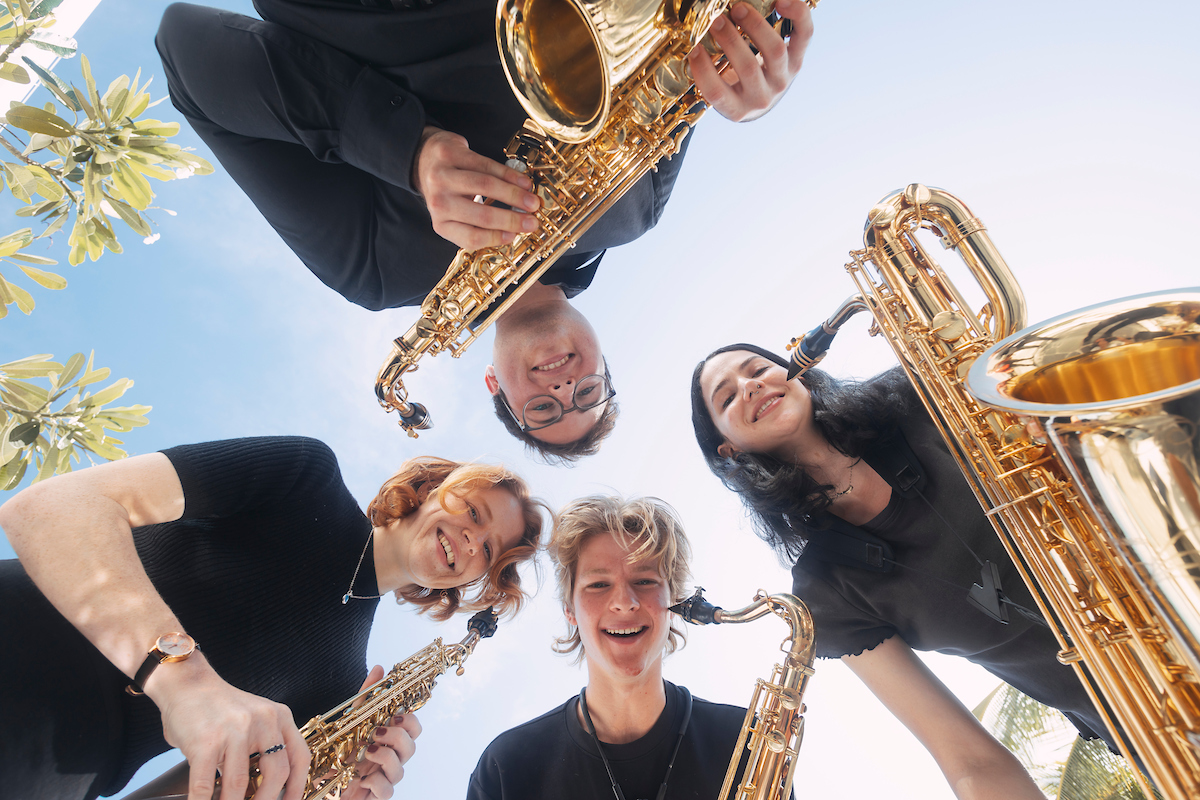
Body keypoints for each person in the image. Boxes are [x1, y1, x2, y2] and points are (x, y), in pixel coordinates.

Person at [154, 0, 815, 462]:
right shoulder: (637, 213)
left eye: (546, 410)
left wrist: (405, 149)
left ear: (494, 385)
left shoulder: (375, 272)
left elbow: (185, 49)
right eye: (589, 392)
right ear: (603, 359)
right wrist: (751, 76)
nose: (563, 387)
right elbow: (696, 50)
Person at [0, 435, 546, 800]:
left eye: (490, 553)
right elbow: (48, 509)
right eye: (473, 512)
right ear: (428, 490)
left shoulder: (342, 684)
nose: (473, 540)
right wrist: (184, 681)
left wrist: (333, 790)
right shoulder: (306, 476)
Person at [691, 344, 1125, 800]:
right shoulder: (825, 592)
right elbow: (970, 762)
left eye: (758, 369)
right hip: (1149, 727)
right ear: (729, 448)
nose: (751, 385)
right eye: (727, 397)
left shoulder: (914, 391)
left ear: (799, 372)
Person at [466, 495, 763, 800]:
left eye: (645, 581)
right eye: (598, 585)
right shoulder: (507, 767)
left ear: (675, 603)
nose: (624, 603)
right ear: (570, 609)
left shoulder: (748, 744)